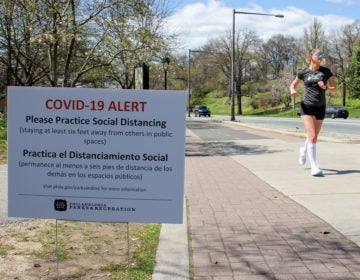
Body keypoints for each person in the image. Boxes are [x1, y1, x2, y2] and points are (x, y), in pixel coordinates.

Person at [289, 48, 337, 176]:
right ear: (311, 56)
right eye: (318, 54)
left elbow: (334, 89)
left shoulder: (326, 72)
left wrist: (326, 88)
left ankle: (303, 150)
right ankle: (314, 167)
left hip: (320, 106)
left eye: (322, 54)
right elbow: (293, 84)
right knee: (312, 136)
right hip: (307, 106)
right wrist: (292, 90)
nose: (321, 57)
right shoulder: (303, 72)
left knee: (313, 135)